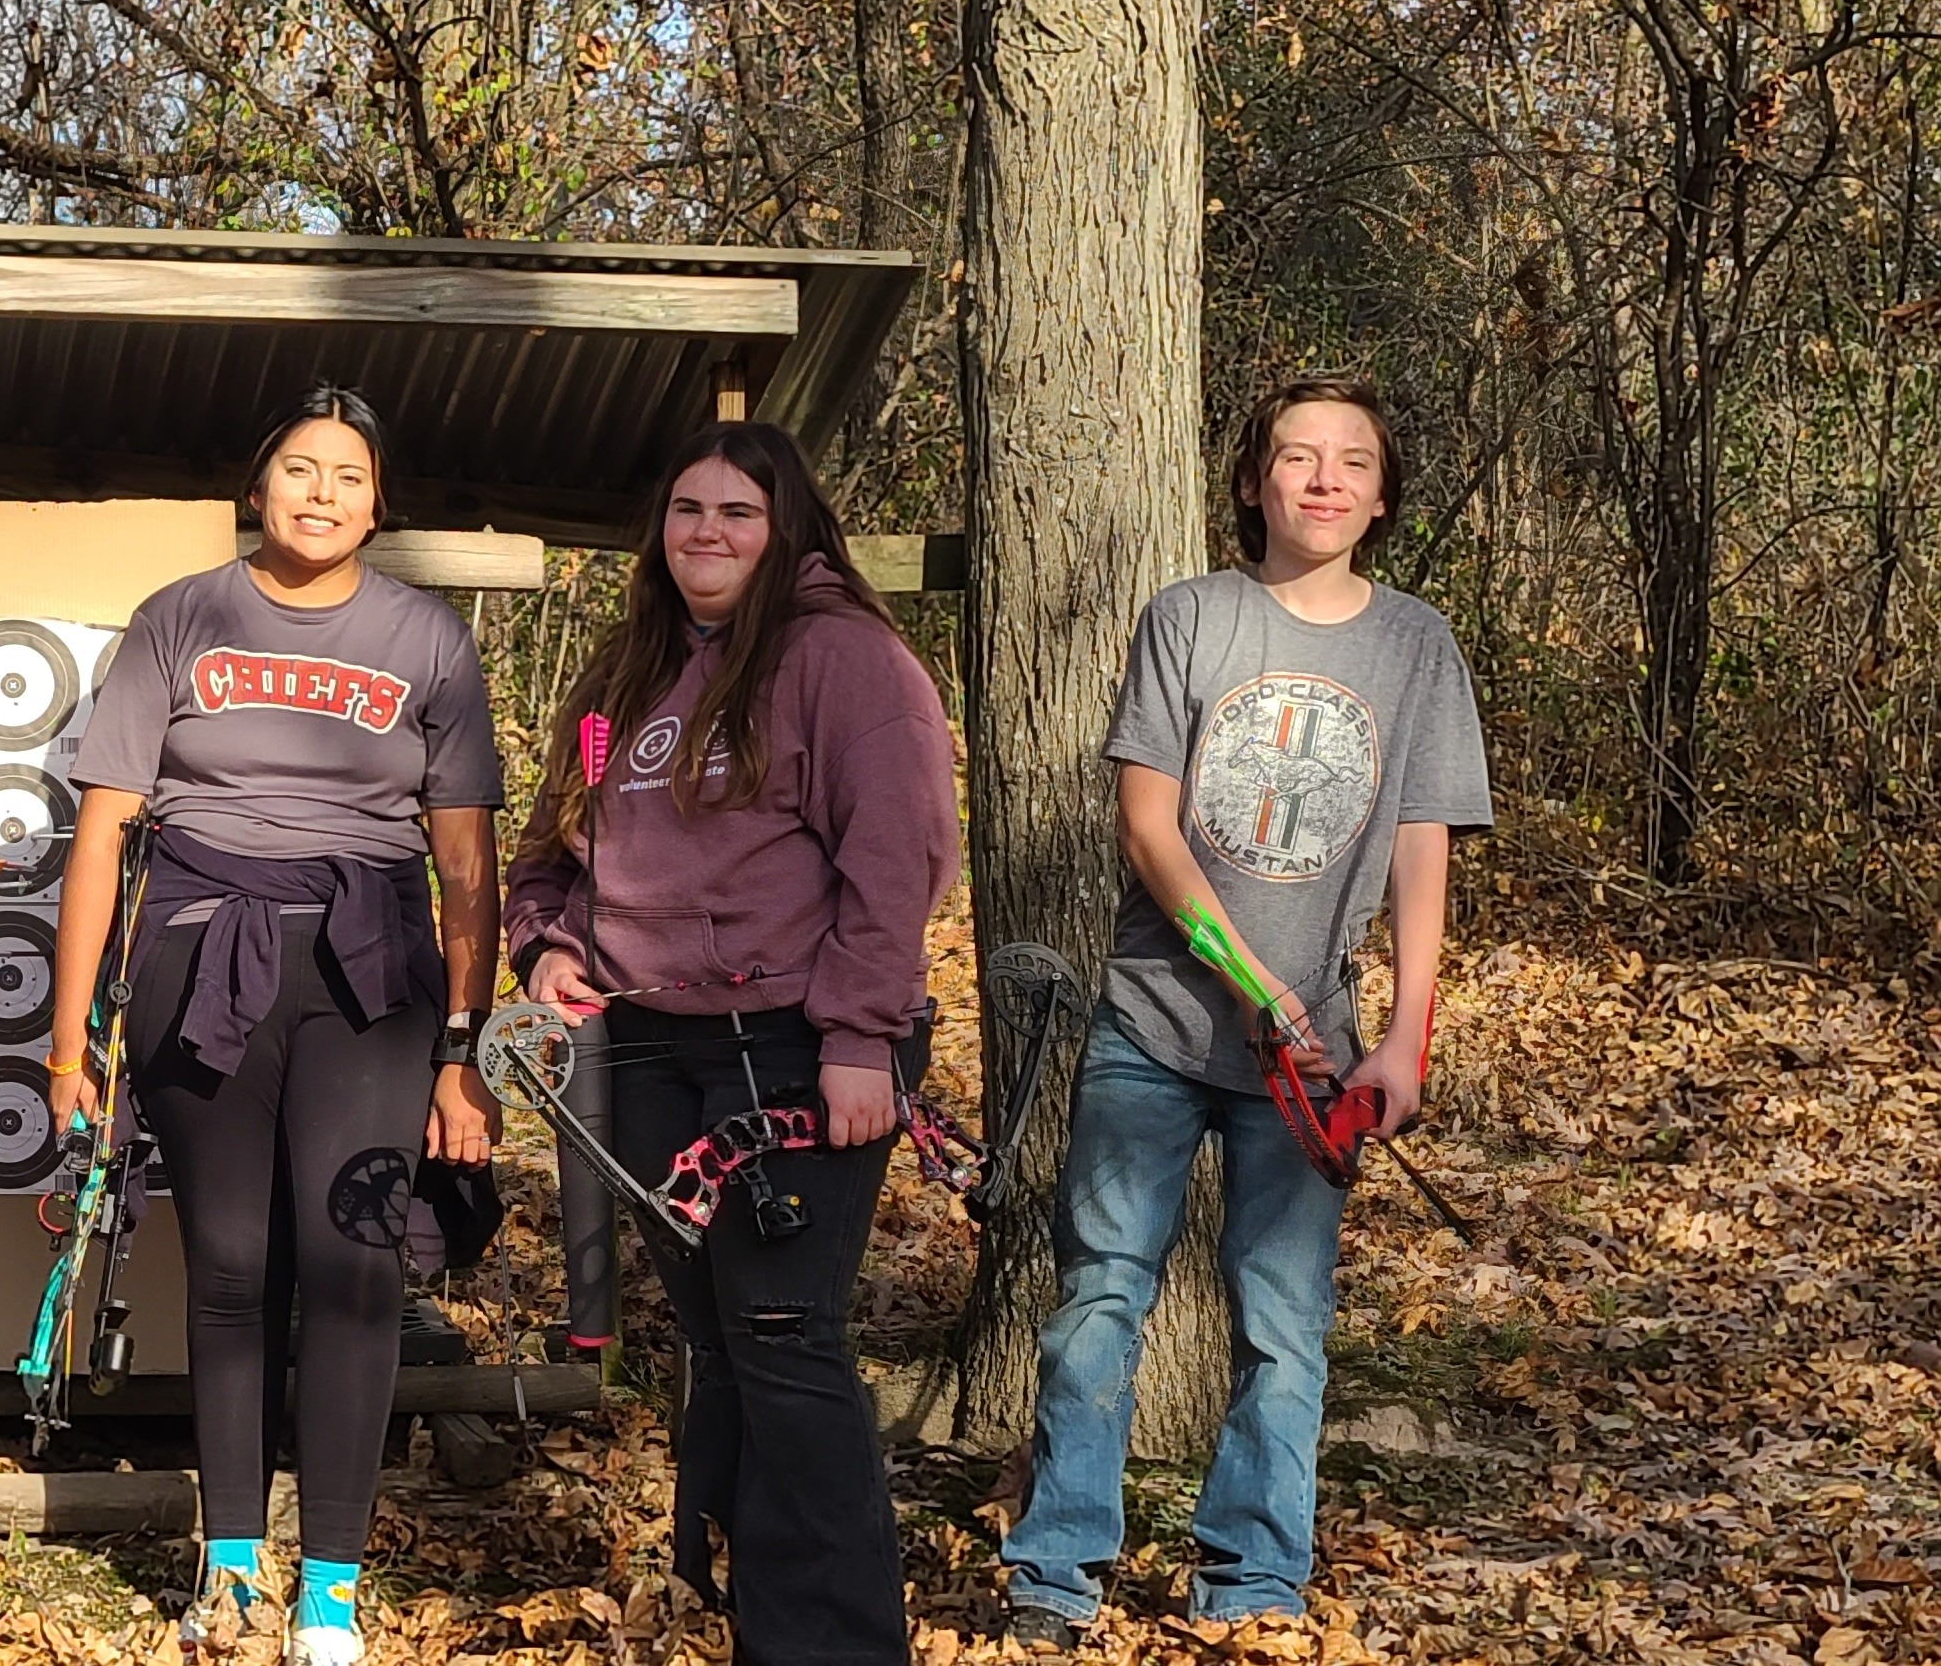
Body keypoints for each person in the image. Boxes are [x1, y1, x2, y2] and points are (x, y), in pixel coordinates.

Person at [999, 377, 1489, 1647]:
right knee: (1100, 1297)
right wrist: (1244, 979)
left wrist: (1404, 1036)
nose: (1322, 480)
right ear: (1254, 478)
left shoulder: (1416, 646)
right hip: (1151, 1029)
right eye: (1296, 457)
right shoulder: (1191, 618)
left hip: (1316, 1058)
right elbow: (1147, 821)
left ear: (1382, 496)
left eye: (1351, 463)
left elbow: (1425, 847)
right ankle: (1057, 1572)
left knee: (1284, 1325)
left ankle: (1256, 1576)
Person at [42, 387, 505, 1666]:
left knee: (357, 1262)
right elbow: (101, 835)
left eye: (347, 476)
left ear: (380, 503)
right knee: (235, 1269)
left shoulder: (426, 637)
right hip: (202, 952)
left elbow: (467, 862)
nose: (319, 493)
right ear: (258, 490)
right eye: (297, 470)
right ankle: (234, 1564)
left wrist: (463, 1051)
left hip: (367, 969)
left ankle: (334, 1590)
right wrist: (68, 1038)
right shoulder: (180, 618)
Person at [500, 420, 956, 1666]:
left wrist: (863, 1036)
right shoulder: (626, 672)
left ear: (786, 526)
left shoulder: (843, 660)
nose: (707, 531)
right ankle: (756, 1621)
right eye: (688, 509)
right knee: (716, 1345)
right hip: (651, 1047)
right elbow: (550, 853)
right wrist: (546, 942)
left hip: (798, 1050)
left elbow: (896, 860)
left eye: (737, 512)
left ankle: (842, 1644)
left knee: (782, 1338)